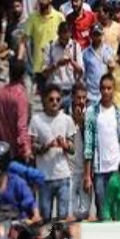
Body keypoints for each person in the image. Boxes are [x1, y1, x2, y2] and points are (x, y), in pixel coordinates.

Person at [29, 84, 77, 221]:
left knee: (62, 219)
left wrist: (65, 145)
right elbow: (33, 148)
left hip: (63, 176)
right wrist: (47, 146)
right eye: (51, 99)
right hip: (44, 178)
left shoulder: (67, 120)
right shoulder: (36, 120)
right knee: (46, 219)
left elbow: (73, 149)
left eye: (57, 99)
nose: (55, 102)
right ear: (44, 100)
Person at [83, 74, 120, 218]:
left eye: (109, 88)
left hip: (116, 169)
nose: (106, 91)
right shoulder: (92, 112)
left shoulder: (119, 112)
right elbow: (88, 146)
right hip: (99, 170)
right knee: (102, 210)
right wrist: (87, 175)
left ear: (114, 89)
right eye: (103, 88)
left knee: (117, 210)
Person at [0, 60, 32, 161]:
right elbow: (21, 125)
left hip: (3, 146)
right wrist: (26, 148)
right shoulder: (21, 95)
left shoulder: (0, 93)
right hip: (17, 150)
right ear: (23, 75)